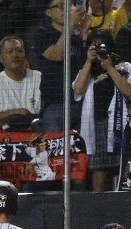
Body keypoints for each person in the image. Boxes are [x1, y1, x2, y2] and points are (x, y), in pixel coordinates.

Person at [73, 29, 131, 191]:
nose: (99, 50)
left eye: (102, 46)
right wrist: (88, 61)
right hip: (96, 128)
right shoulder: (87, 72)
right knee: (100, 176)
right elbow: (78, 89)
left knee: (125, 173)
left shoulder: (125, 67)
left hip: (121, 126)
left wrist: (109, 67)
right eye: (94, 47)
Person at [33, 0, 90, 132]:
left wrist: (84, 33)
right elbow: (57, 55)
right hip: (55, 103)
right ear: (48, 12)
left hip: (82, 102)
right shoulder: (42, 33)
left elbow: (88, 63)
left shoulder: (77, 36)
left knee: (83, 149)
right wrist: (70, 25)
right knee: (53, 150)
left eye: (69, 5)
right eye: (60, 6)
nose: (66, 9)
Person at [0, 36, 42, 131]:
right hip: (5, 137)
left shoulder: (39, 77)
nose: (15, 55)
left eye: (19, 51)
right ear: (0, 58)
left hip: (37, 133)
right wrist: (16, 112)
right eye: (9, 51)